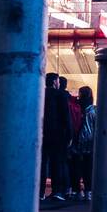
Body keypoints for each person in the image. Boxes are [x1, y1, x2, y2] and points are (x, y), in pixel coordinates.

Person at [40, 72, 73, 202]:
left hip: (42, 133)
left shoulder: (40, 93)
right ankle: (57, 191)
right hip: (57, 135)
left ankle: (40, 192)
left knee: (42, 163)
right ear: (55, 82)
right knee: (57, 163)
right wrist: (69, 135)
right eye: (58, 81)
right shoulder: (60, 95)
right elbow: (66, 116)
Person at [75, 86, 96, 201]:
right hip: (90, 141)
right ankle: (88, 191)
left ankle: (77, 190)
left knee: (76, 166)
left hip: (78, 140)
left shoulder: (77, 107)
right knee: (89, 167)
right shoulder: (93, 109)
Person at [63, 77, 83, 197]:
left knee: (68, 164)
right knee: (79, 165)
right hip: (79, 139)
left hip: (70, 138)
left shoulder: (70, 105)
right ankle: (78, 189)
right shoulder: (82, 107)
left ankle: (69, 188)